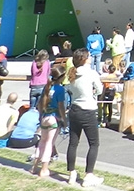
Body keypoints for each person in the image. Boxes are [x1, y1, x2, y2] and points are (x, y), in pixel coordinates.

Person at [65, 48, 103, 187]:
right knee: (94, 143)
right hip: (88, 110)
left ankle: (71, 173)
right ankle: (89, 175)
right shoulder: (91, 73)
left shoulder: (72, 73)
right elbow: (99, 90)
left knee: (73, 143)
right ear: (85, 59)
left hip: (75, 109)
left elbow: (69, 89)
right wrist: (92, 91)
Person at [31, 64, 67, 179]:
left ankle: (34, 166)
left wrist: (40, 116)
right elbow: (61, 106)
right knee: (49, 144)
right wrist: (64, 119)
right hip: (54, 118)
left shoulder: (47, 87)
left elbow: (40, 104)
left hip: (45, 117)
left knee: (42, 142)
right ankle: (44, 169)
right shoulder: (60, 89)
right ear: (62, 77)